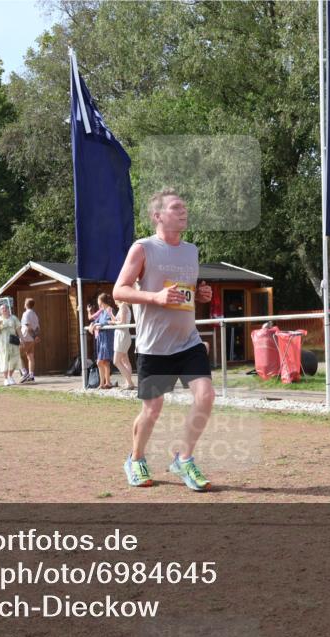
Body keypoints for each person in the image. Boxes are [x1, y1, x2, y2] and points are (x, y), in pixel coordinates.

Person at [113, 188, 214, 491]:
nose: (183, 212)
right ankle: (135, 458)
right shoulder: (143, 248)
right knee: (152, 410)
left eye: (184, 207)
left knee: (206, 396)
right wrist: (153, 297)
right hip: (154, 346)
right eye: (175, 208)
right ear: (157, 216)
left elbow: (184, 293)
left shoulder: (191, 250)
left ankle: (183, 459)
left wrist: (200, 295)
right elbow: (120, 290)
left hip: (188, 341)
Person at [89, 293, 116, 389]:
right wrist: (92, 325)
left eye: (99, 302)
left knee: (101, 362)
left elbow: (112, 321)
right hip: (101, 338)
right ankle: (105, 383)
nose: (98, 304)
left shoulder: (110, 310)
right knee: (104, 362)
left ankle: (104, 383)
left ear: (102, 301)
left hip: (107, 338)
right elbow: (96, 321)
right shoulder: (102, 311)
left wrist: (100, 324)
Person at [0, 302, 22, 385]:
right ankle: (5, 379)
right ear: (0, 311)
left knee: (14, 360)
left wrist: (22, 339)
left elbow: (18, 330)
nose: (4, 310)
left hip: (13, 342)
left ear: (9, 309)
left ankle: (10, 376)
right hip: (2, 344)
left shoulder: (14, 318)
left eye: (5, 308)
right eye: (2, 309)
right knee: (4, 360)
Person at [112, 298, 136, 390]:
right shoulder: (123, 307)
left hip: (122, 336)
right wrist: (113, 318)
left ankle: (130, 383)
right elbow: (121, 320)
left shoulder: (123, 307)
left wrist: (113, 322)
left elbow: (122, 322)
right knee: (125, 361)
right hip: (122, 335)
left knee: (116, 361)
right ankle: (128, 382)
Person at [19, 298, 40, 383]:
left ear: (26, 304)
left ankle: (24, 373)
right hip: (32, 339)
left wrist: (34, 336)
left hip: (26, 337)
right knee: (30, 356)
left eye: (24, 302)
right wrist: (36, 336)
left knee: (17, 355)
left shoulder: (25, 314)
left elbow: (28, 327)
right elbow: (37, 328)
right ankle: (31, 375)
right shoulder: (35, 314)